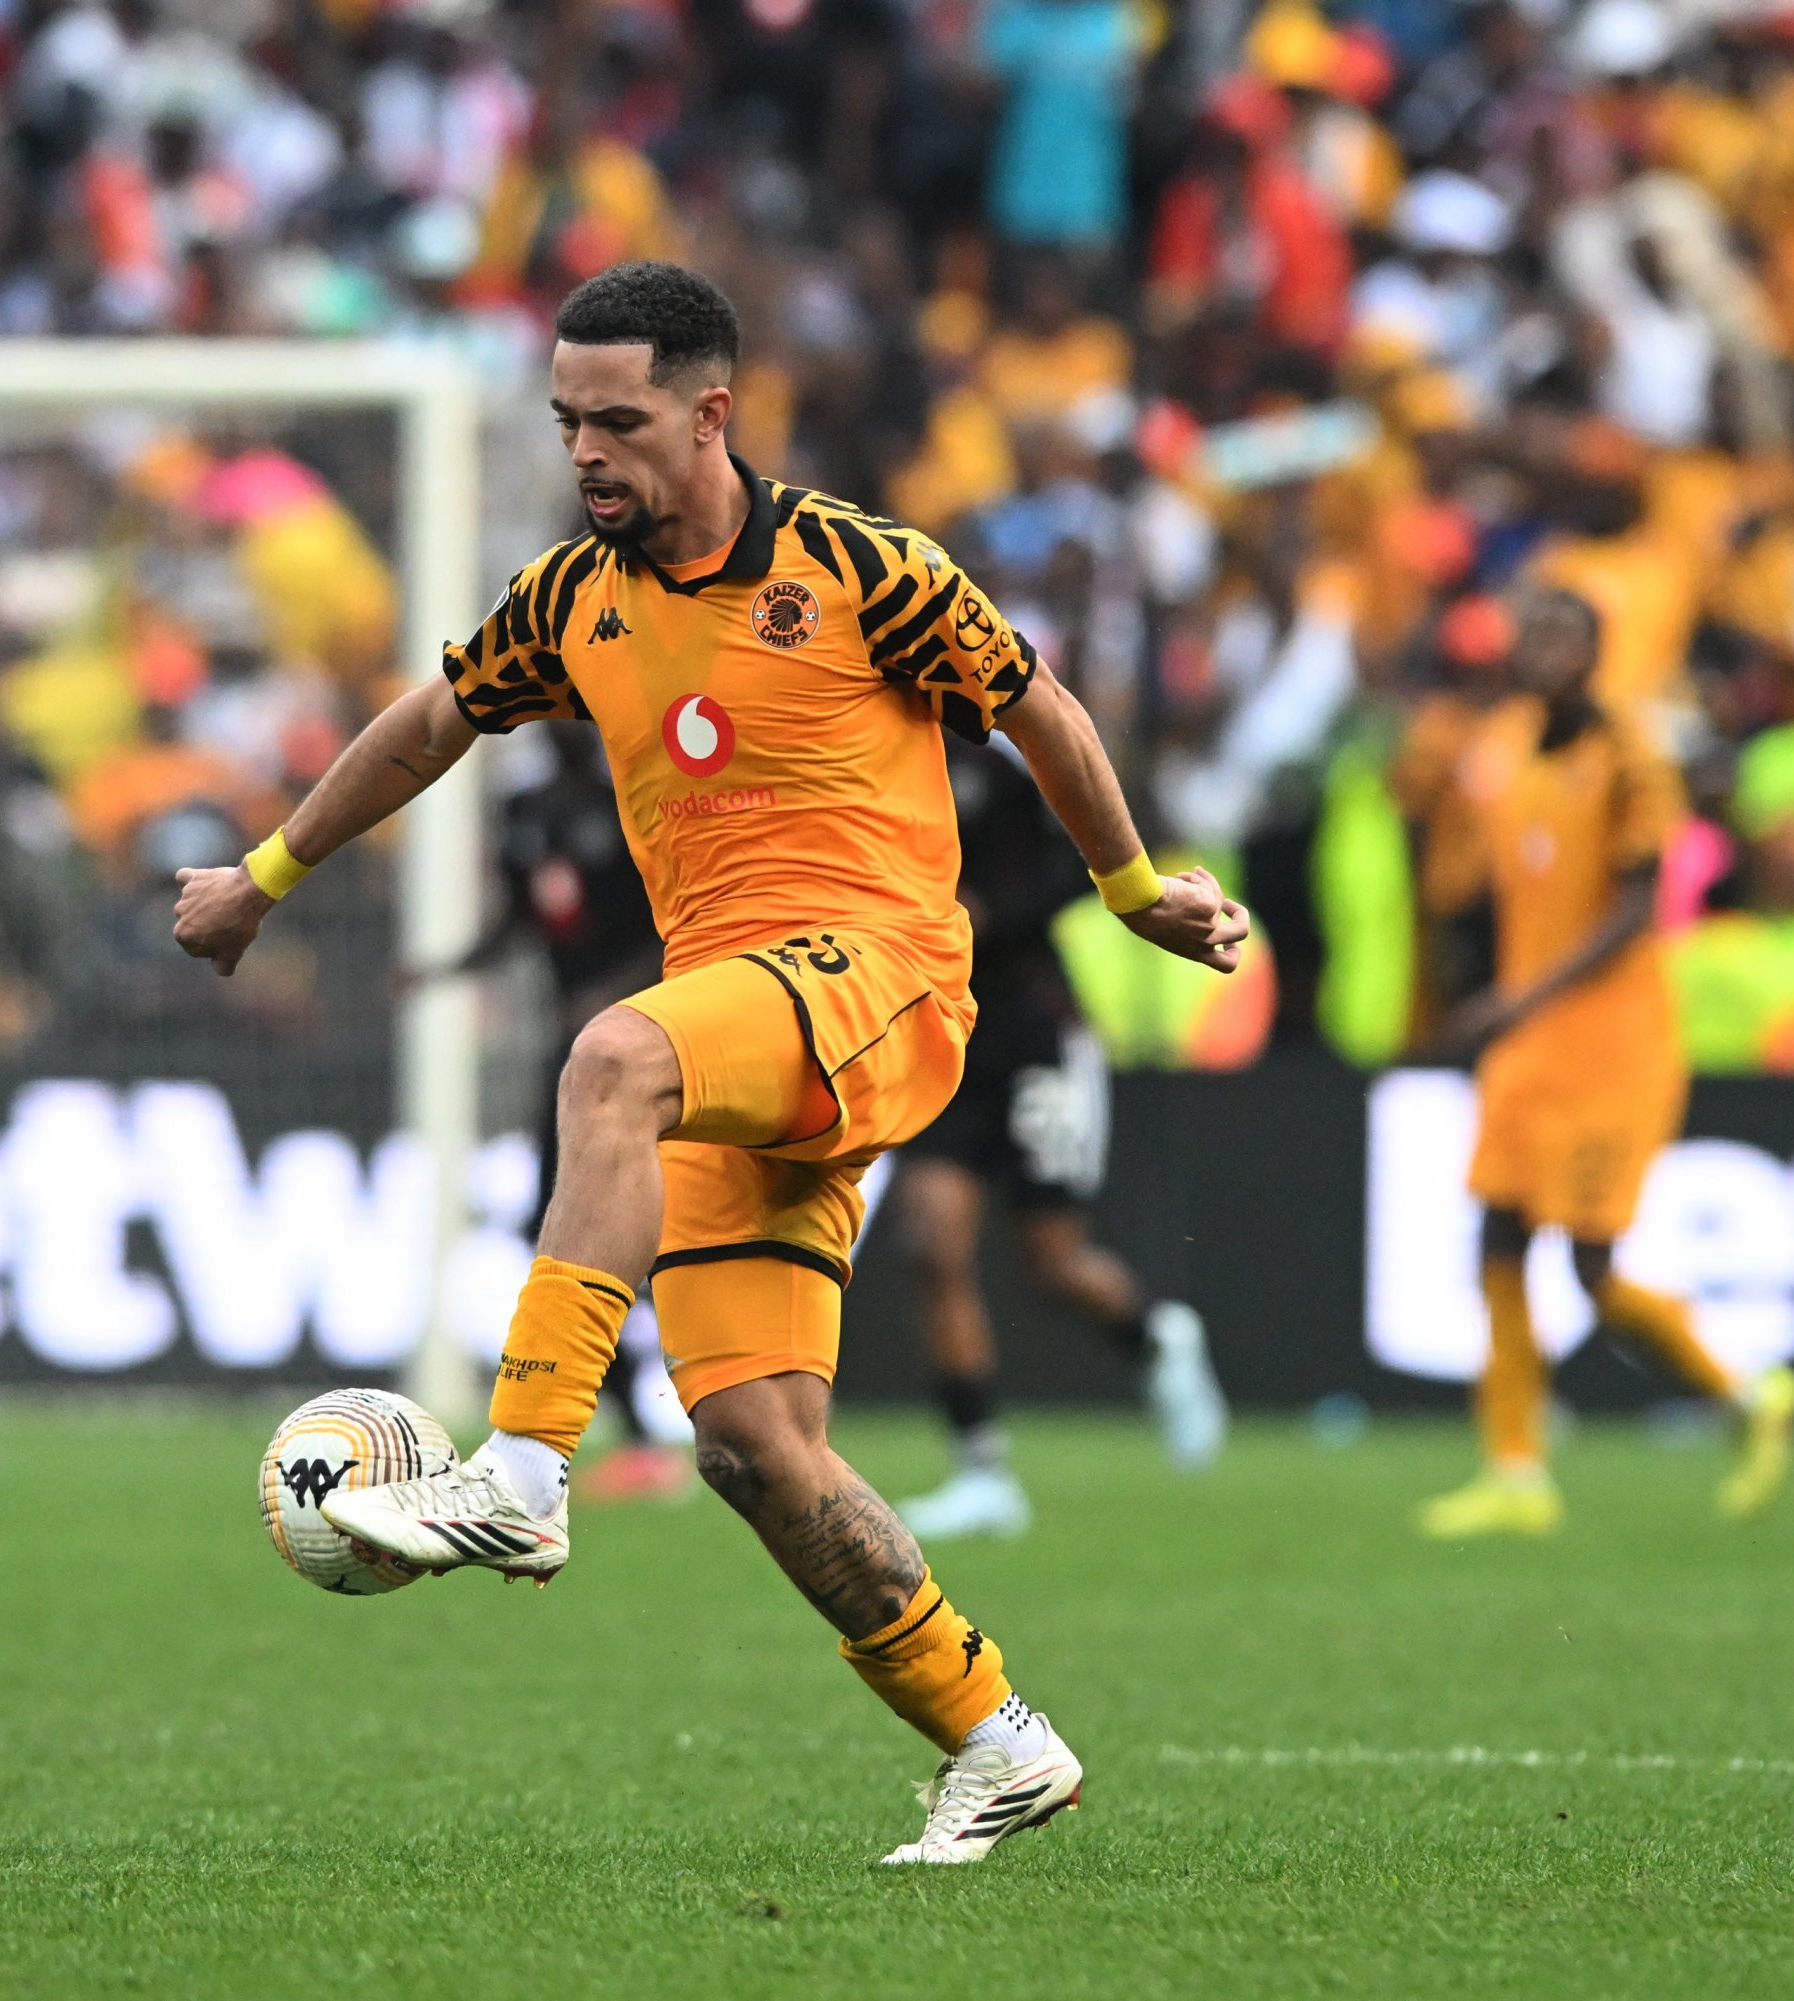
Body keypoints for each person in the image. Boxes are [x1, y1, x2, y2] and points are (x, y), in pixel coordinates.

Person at [175, 262, 1246, 1864]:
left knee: (612, 1058)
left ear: (710, 412)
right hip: (745, 1025)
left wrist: (1130, 886)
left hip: (884, 981)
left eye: (616, 421)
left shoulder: (863, 567)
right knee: (754, 1445)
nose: (584, 451)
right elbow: (427, 724)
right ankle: (995, 1735)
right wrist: (266, 874)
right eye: (566, 421)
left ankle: (521, 1466)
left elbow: (1044, 714)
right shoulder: (570, 599)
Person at [1416, 589, 1794, 1540]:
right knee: (1497, 1233)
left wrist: (1522, 996)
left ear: (1595, 654)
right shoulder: (1509, 748)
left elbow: (1638, 905)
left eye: (1565, 637)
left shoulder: (1631, 757)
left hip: (1611, 1043)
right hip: (1531, 1041)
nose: (1545, 651)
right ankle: (1515, 1469)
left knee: (1590, 1266)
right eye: (1534, 635)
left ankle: (1746, 1393)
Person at [892, 733, 1227, 1544]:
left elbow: (1083, 858)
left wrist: (989, 912)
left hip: (1033, 1033)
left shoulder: (996, 757)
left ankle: (1156, 1337)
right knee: (932, 1246)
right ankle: (982, 1470)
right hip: (938, 1032)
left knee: (1053, 1260)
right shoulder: (866, 747)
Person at [442, 723, 689, 1500]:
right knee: (558, 1230)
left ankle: (712, 1390)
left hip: (658, 1041)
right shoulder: (526, 810)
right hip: (577, 1056)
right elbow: (520, 915)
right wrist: (446, 969)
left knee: (656, 1231)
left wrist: (615, 991)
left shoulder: (641, 801)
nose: (565, 718)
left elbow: (678, 921)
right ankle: (641, 1434)